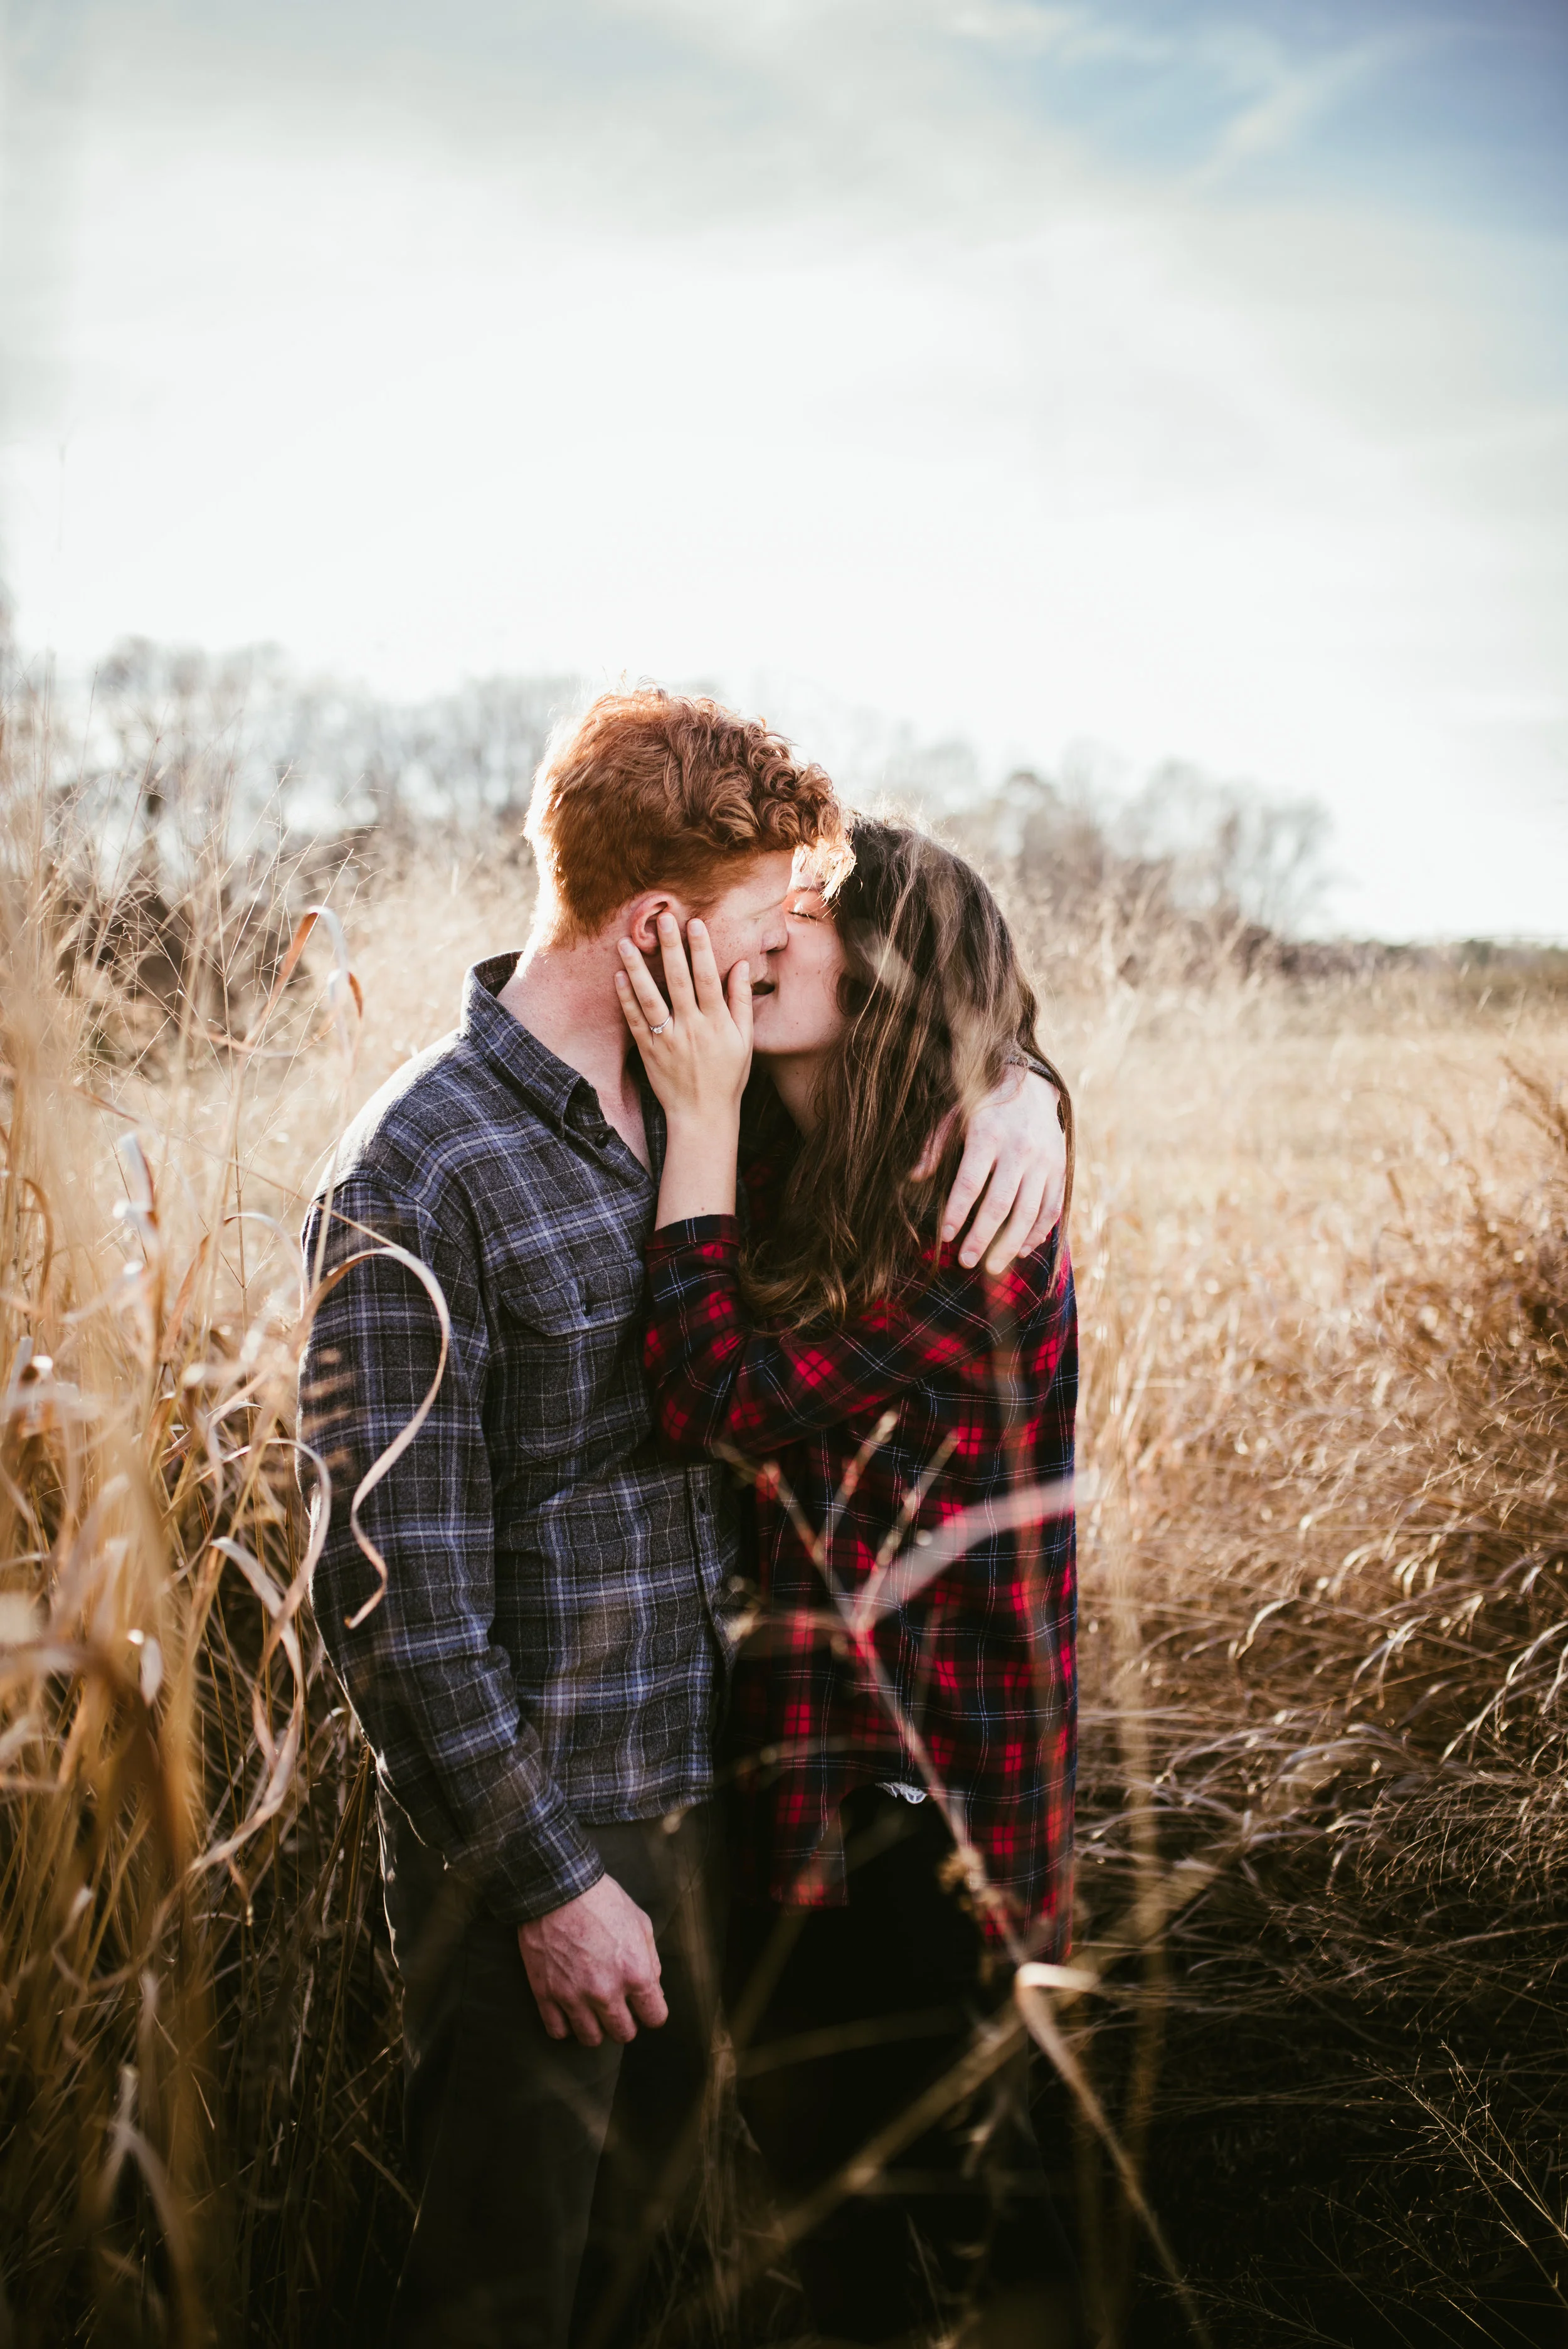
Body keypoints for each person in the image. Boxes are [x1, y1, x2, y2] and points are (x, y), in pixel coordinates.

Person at [296, 691, 1069, 2349]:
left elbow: (908, 1034)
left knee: (661, 2286)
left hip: (735, 1820)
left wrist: (1023, 1085)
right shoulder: (425, 1170)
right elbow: (388, 1593)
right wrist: (545, 1881)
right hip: (554, 1841)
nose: (791, 936)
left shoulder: (694, 1111)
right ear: (658, 925)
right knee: (506, 2296)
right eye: (765, 913)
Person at [618, 815, 1079, 2345]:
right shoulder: (802, 1155)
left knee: (920, 2254)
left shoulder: (970, 1212)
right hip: (803, 1779)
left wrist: (695, 1118)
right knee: (827, 2231)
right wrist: (1036, 1080)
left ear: (890, 974)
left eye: (802, 914)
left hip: (921, 1815)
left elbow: (711, 1398)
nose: (763, 936)